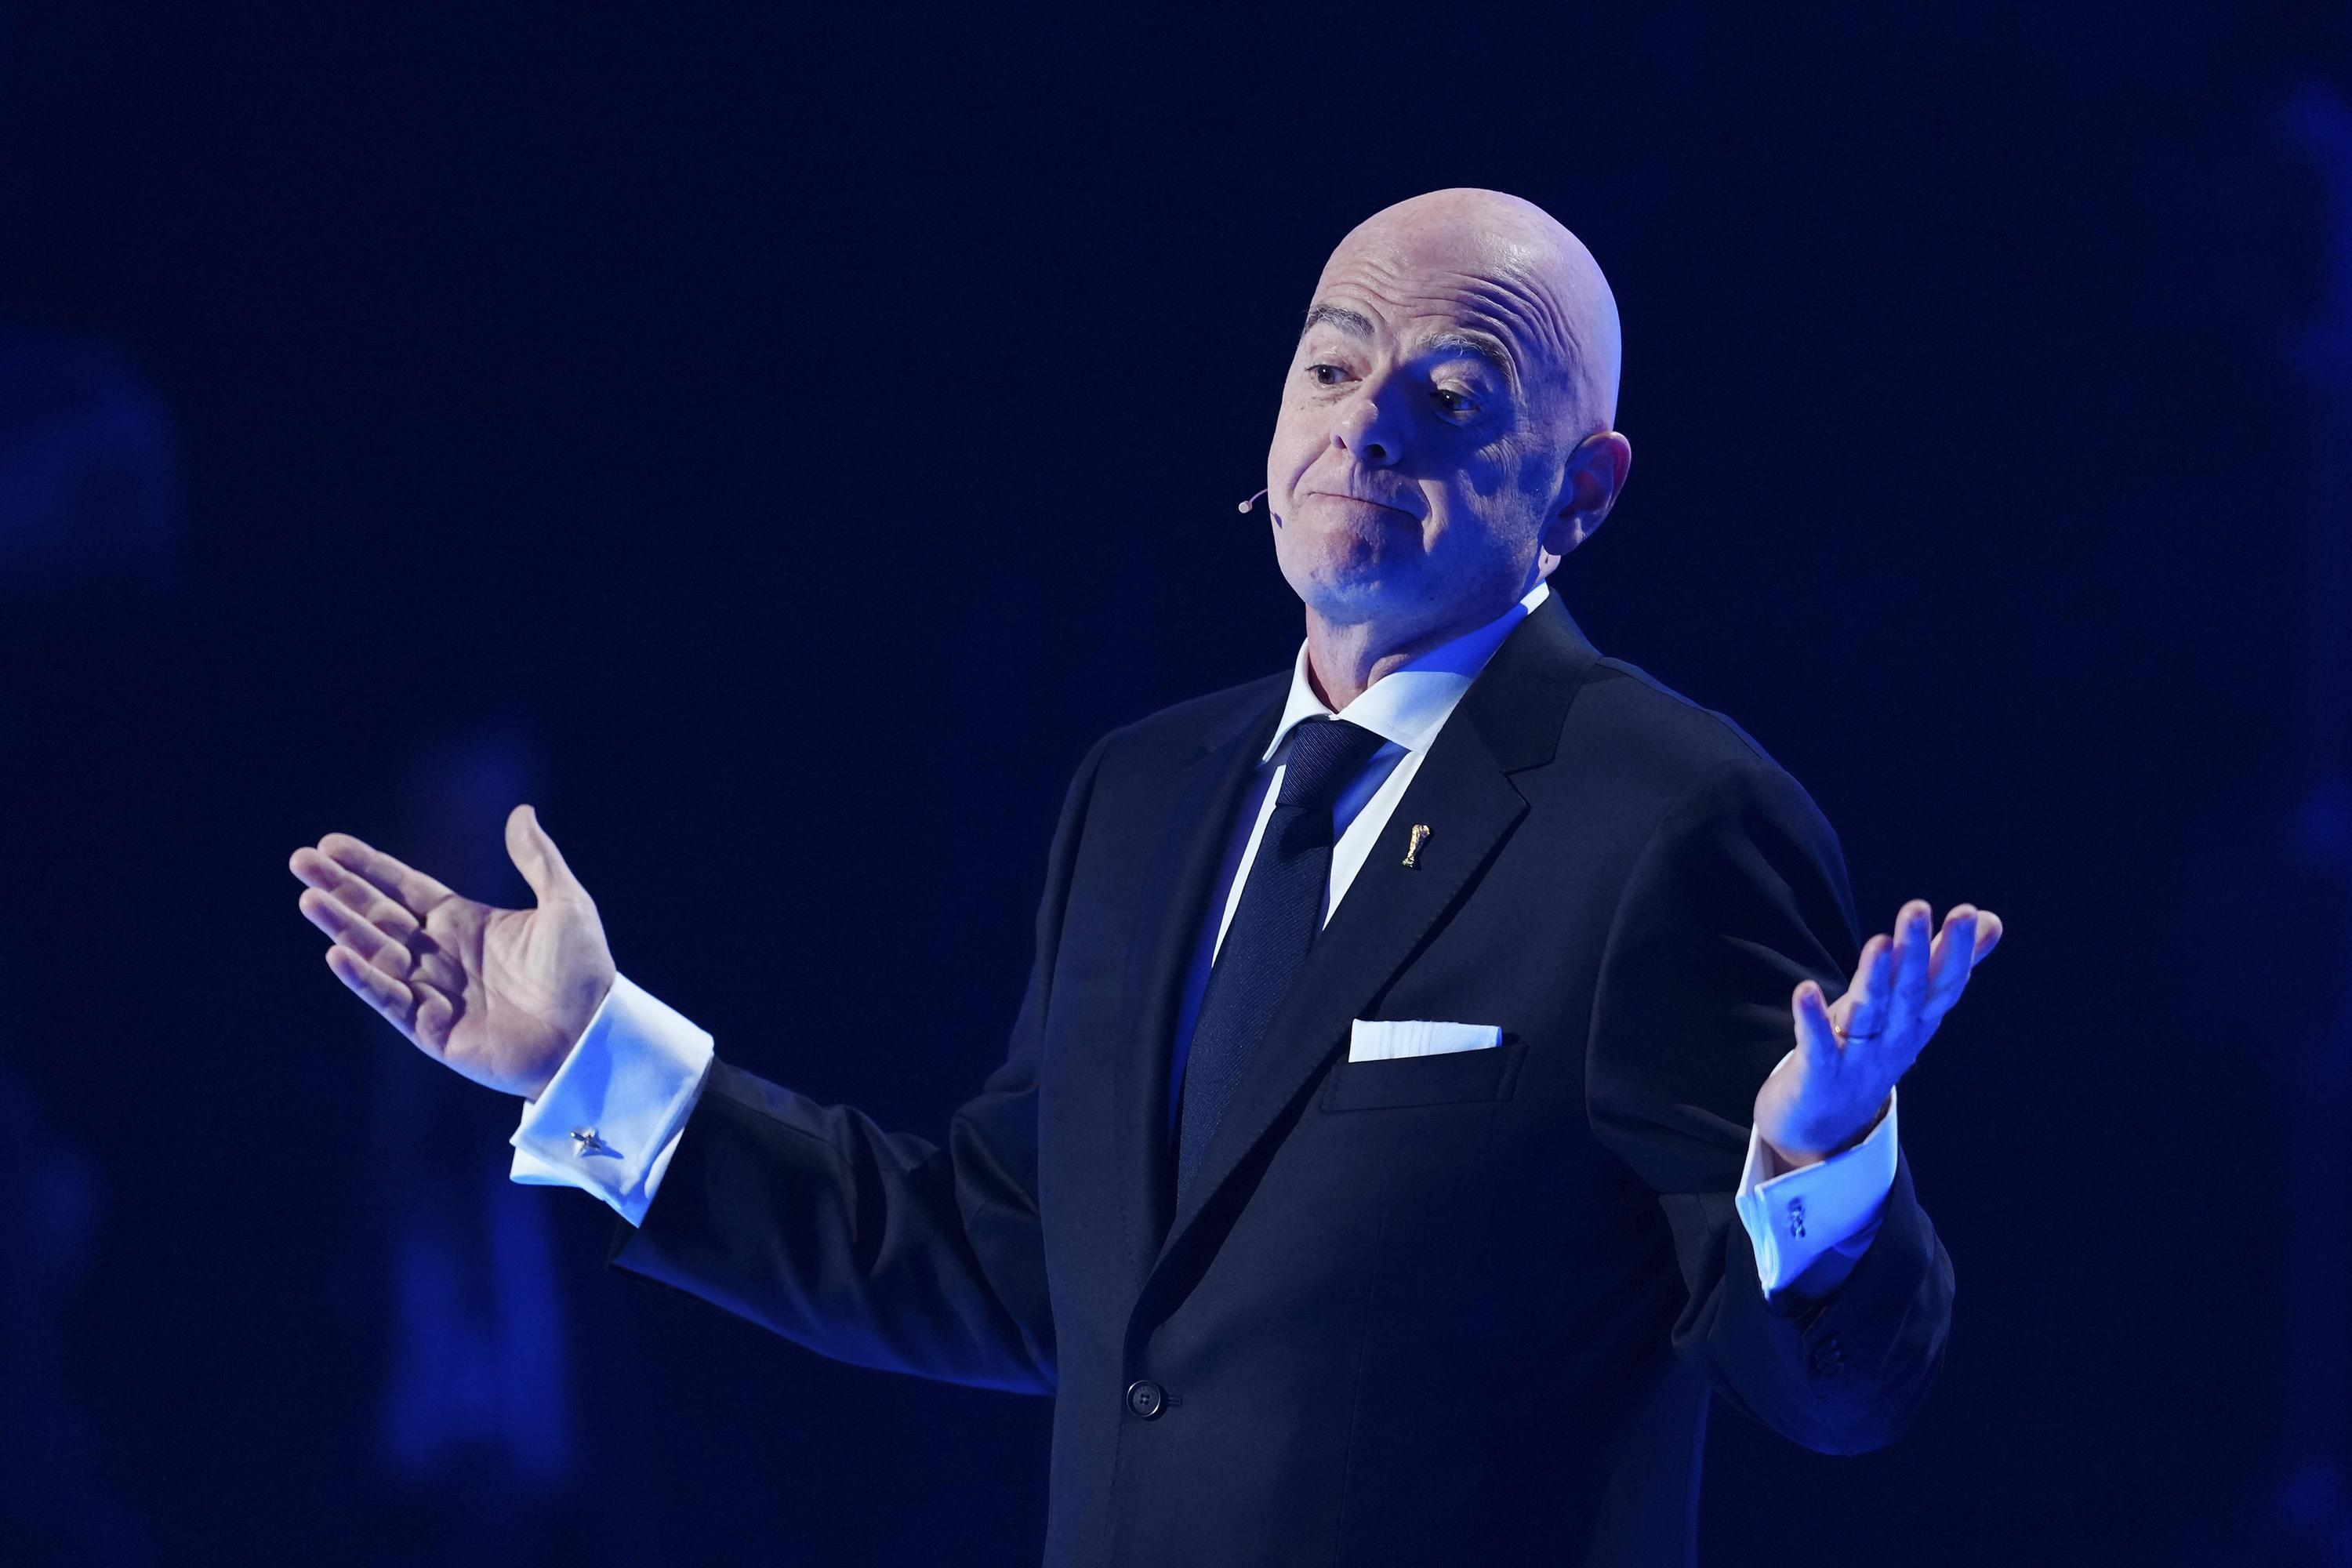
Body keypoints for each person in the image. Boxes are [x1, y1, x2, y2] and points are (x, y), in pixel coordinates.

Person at [289, 188, 2002, 1566]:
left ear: (1585, 491)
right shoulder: (1146, 794)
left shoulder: (1672, 817)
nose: (1366, 427)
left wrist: (1820, 1164)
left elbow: (1841, 1394)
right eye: (1331, 367)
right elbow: (1012, 1259)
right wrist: (596, 1064)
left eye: (1452, 395)